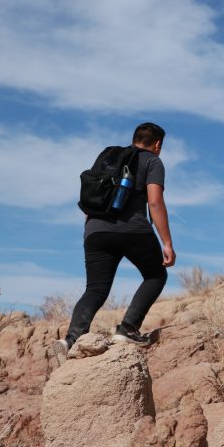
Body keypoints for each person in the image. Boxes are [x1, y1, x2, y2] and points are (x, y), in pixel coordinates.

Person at [51, 122, 176, 364]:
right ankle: (127, 329)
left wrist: (92, 230)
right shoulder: (152, 161)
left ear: (134, 138)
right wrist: (167, 243)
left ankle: (71, 339)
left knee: (95, 289)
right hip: (133, 230)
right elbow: (155, 202)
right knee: (155, 276)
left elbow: (91, 195)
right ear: (158, 144)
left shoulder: (108, 156)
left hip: (95, 230)